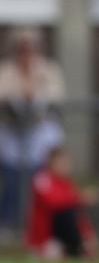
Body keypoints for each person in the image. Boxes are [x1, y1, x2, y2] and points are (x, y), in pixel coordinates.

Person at [0, 27, 66, 233]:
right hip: (13, 133)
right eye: (22, 49)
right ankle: (8, 224)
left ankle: (40, 227)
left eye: (30, 48)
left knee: (40, 180)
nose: (26, 53)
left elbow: (56, 97)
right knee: (13, 180)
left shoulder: (49, 70)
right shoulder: (7, 71)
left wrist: (36, 97)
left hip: (39, 133)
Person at [25, 146, 98, 259]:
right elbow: (53, 203)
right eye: (62, 162)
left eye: (68, 163)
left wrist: (88, 233)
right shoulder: (42, 179)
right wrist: (80, 198)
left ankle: (77, 247)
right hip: (45, 236)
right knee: (65, 212)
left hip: (62, 235)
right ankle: (73, 249)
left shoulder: (67, 183)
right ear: (51, 163)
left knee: (72, 214)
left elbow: (77, 213)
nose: (66, 166)